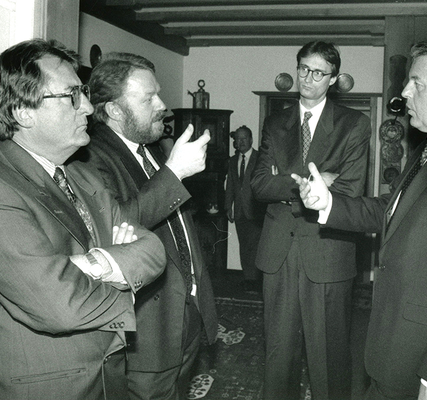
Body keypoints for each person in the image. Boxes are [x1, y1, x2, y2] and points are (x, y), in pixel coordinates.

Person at [292, 36, 427, 400]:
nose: (404, 92)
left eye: (417, 83)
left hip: (422, 361)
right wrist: (327, 203)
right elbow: (389, 210)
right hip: (393, 344)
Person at [0, 39, 167, 400]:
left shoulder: (82, 175)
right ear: (23, 111)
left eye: (83, 92)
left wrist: (91, 264)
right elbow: (60, 306)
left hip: (106, 378)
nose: (86, 106)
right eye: (71, 95)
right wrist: (119, 266)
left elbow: (152, 249)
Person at [80, 52, 218, 400]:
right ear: (113, 110)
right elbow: (113, 227)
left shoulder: (151, 149)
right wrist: (175, 175)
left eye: (159, 94)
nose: (163, 105)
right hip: (148, 335)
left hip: (185, 318)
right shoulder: (89, 157)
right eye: (148, 98)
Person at [250, 40, 372, 400]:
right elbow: (258, 183)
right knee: (278, 354)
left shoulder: (354, 124)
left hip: (327, 249)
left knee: (328, 356)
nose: (308, 78)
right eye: (304, 68)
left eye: (319, 72)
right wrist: (313, 182)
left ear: (333, 79)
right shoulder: (276, 122)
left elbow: (349, 190)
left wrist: (284, 177)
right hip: (278, 251)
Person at [225, 125, 266, 292]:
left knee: (255, 246)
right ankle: (249, 279)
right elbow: (231, 186)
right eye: (237, 139)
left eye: (243, 139)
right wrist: (228, 206)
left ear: (251, 140)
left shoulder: (260, 158)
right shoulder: (233, 160)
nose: (239, 142)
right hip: (240, 211)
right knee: (244, 246)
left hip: (256, 211)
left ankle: (256, 280)